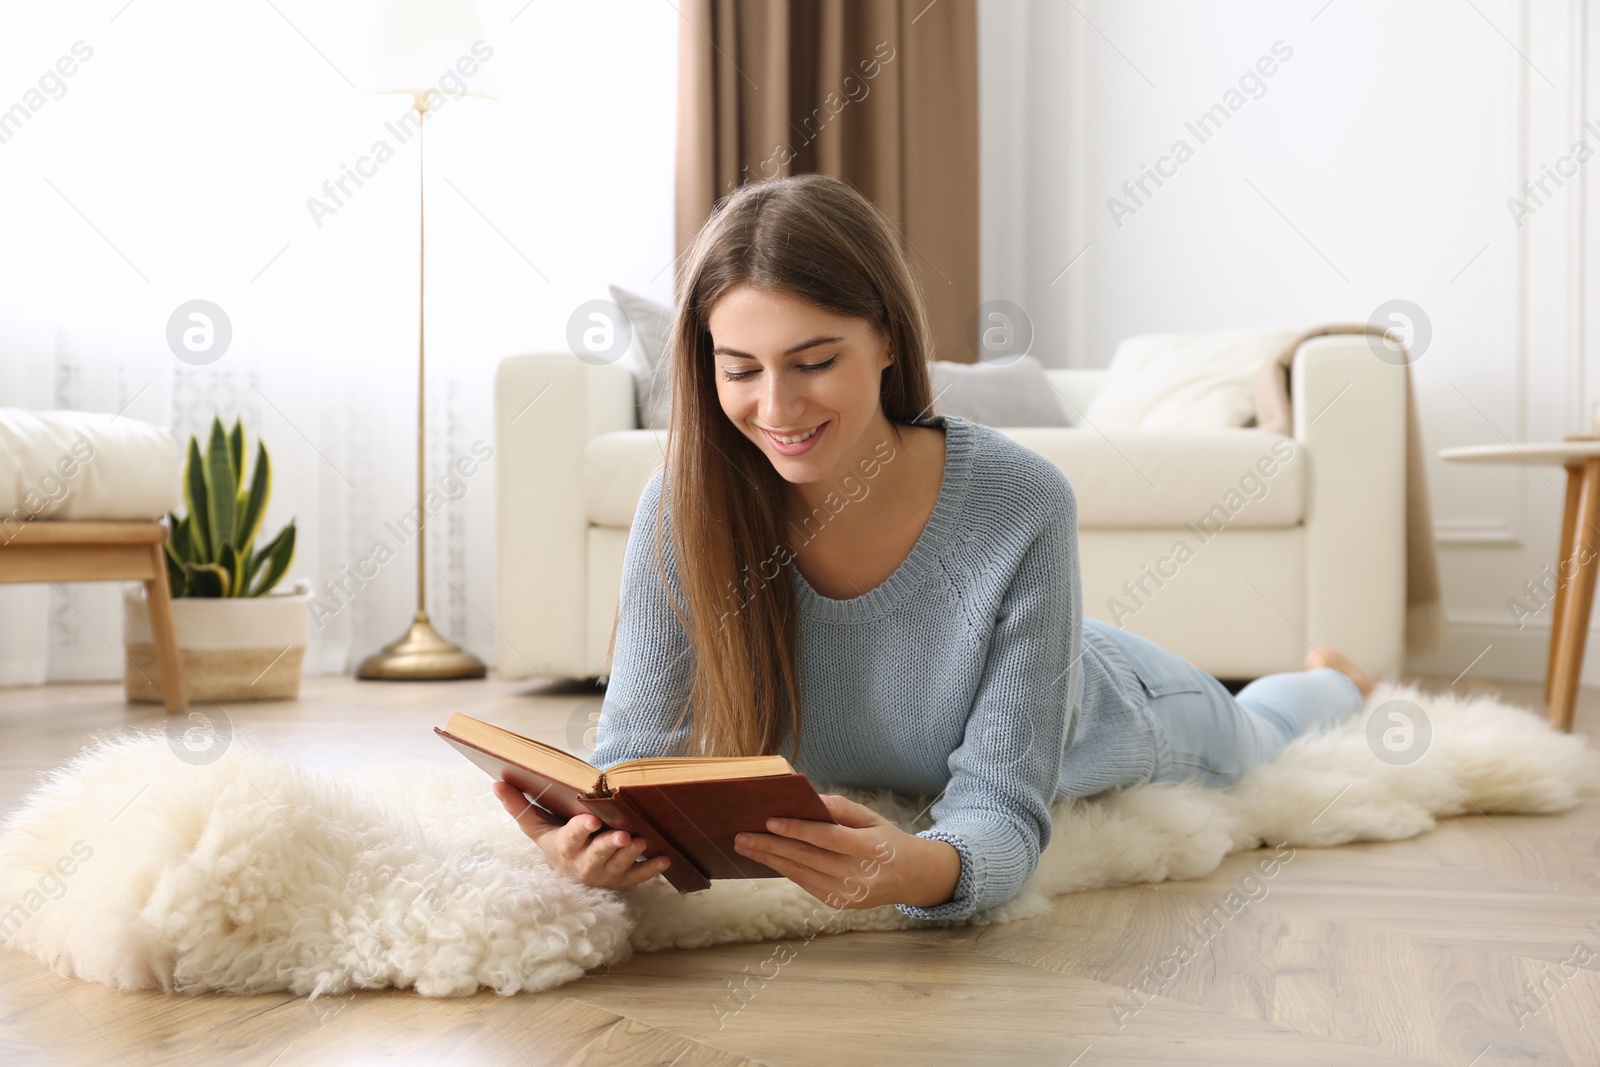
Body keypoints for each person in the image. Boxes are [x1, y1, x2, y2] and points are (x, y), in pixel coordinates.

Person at [495, 173, 1376, 922]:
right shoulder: (679, 510)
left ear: (884, 339)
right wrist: (591, 837)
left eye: (813, 361)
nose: (776, 407)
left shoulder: (1020, 501)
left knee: (1263, 732)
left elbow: (999, 806)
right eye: (740, 367)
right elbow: (636, 754)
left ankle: (1337, 679)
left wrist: (920, 870)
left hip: (1116, 701)